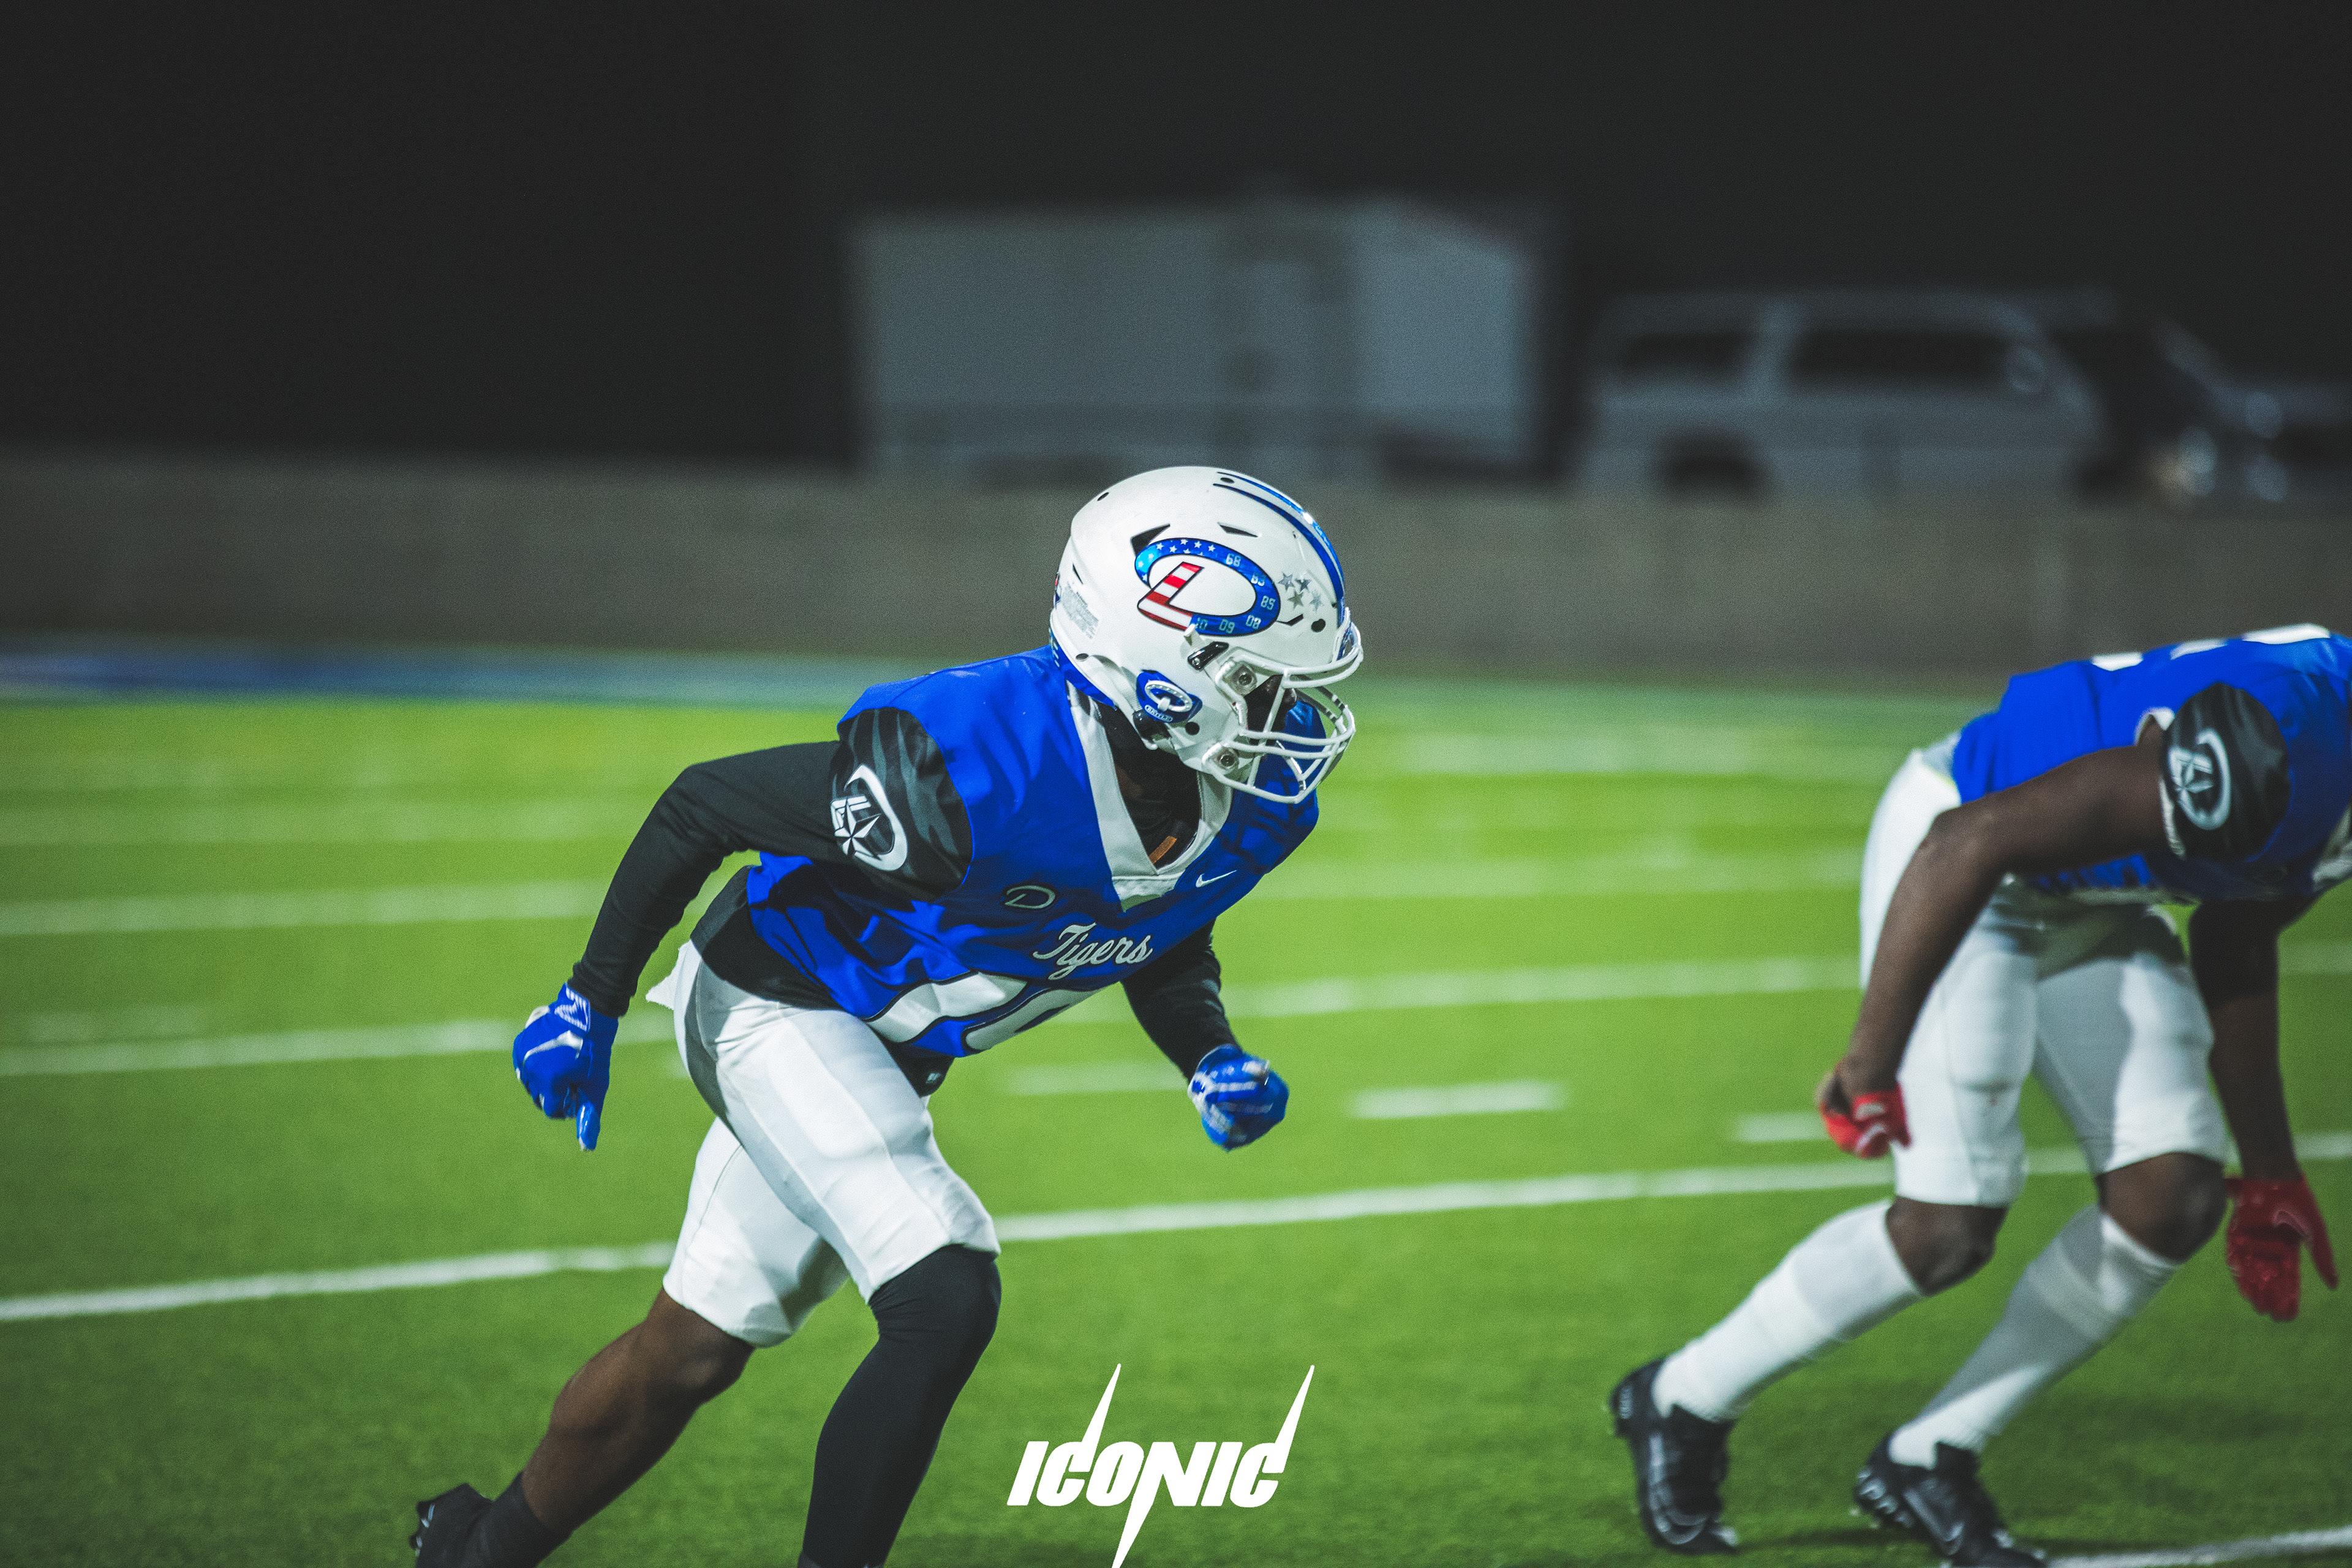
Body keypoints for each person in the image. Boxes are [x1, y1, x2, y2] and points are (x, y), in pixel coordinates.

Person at [407, 467, 1364, 1568]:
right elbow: (704, 803)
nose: (1295, 715)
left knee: (689, 1351)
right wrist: (589, 999)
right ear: (1162, 674)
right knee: (944, 1291)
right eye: (1261, 683)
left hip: (880, 1052)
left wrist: (1207, 1053)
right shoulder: (971, 763)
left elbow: (1160, 931)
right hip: (775, 999)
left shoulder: (1246, 808)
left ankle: (471, 1552)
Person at [1610, 626, 2346, 1566]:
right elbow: (1968, 840)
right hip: (1968, 855)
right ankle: (1681, 1395)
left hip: (2096, 895)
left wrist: (2271, 1174)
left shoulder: (2317, 764)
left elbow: (2236, 936)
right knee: (1948, 1224)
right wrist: (1871, 1058)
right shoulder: (2262, 736)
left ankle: (1930, 1456)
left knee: (2170, 1197)